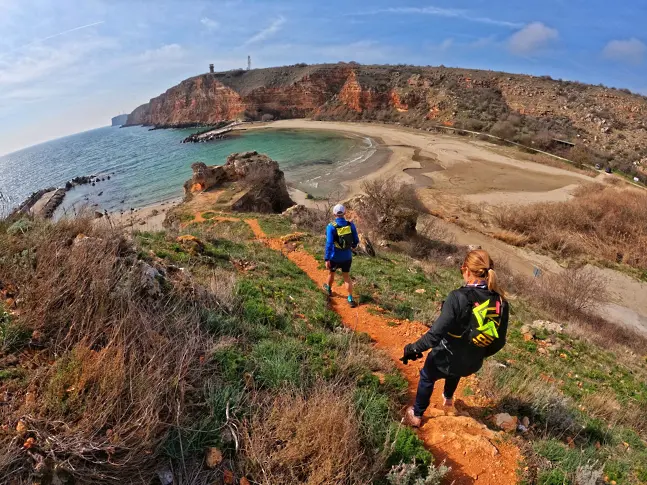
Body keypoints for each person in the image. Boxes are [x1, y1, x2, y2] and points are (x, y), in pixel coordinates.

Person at [401, 249, 509, 427]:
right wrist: (478, 353)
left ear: (466, 270)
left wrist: (412, 349)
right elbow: (499, 342)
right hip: (472, 364)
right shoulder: (501, 302)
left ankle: (417, 414)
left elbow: (434, 336)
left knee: (428, 375)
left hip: (446, 360)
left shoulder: (457, 297)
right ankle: (448, 398)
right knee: (458, 359)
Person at [323, 204, 360, 308]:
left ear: (334, 214)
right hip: (347, 257)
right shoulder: (350, 224)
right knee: (346, 277)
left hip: (335, 256)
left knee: (331, 273)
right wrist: (351, 246)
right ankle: (350, 298)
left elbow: (329, 243)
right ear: (345, 213)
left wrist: (327, 258)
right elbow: (356, 240)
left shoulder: (331, 226)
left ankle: (329, 290)